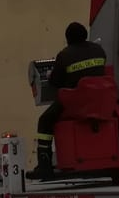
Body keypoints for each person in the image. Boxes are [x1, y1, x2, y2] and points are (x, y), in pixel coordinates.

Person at [31, 22, 107, 177]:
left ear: (68, 39)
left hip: (75, 103)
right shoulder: (99, 50)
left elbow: (56, 81)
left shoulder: (65, 55)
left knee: (45, 121)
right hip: (101, 101)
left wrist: (49, 75)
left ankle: (44, 164)